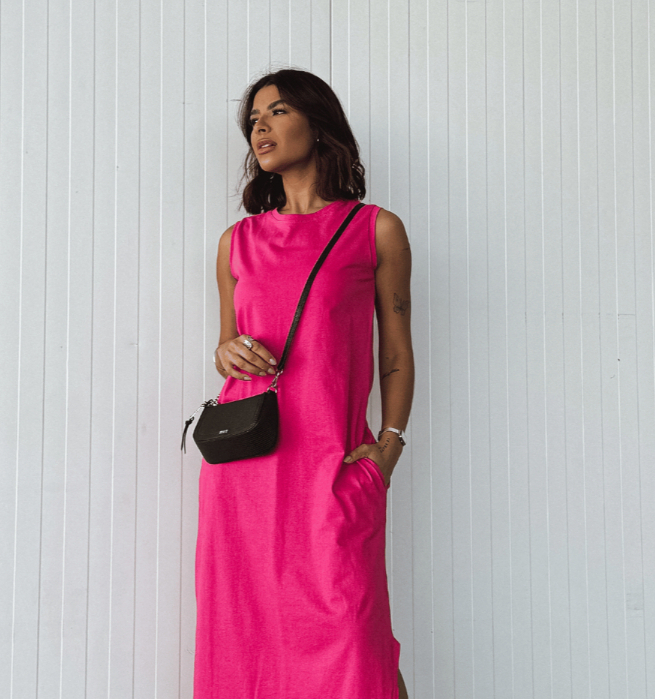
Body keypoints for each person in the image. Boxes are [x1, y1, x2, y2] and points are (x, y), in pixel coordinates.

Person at [193, 68, 414, 699]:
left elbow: (396, 353)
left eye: (278, 111)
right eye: (253, 119)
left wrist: (389, 448)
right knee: (249, 644)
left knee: (355, 642)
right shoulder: (236, 242)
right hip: (245, 475)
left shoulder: (375, 229)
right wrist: (225, 351)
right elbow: (229, 348)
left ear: (318, 125)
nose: (259, 127)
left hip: (330, 470)